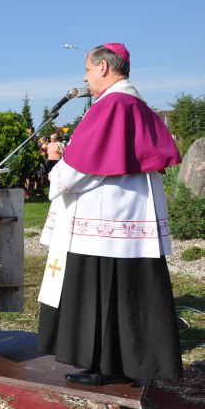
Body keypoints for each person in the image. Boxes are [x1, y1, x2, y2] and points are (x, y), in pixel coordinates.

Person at [37, 43, 183, 386]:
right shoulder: (136, 103)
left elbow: (83, 165)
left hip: (107, 220)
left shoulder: (113, 105)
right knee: (130, 293)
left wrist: (56, 171)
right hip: (127, 216)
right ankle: (131, 364)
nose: (85, 78)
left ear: (104, 67)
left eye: (87, 70)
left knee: (102, 293)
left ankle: (104, 366)